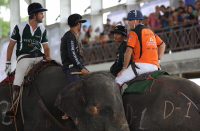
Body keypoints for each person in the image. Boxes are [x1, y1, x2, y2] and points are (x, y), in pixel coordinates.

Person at [5, 2, 51, 116]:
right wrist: (8, 63)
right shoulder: (19, 27)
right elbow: (10, 46)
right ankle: (14, 106)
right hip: (24, 57)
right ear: (34, 15)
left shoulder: (42, 29)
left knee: (57, 65)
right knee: (18, 77)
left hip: (39, 56)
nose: (43, 16)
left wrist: (48, 57)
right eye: (41, 13)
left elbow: (46, 47)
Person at [115, 10, 166, 93]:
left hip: (140, 67)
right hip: (155, 67)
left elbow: (128, 52)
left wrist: (124, 68)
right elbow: (162, 44)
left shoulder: (134, 32)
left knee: (117, 80)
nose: (128, 22)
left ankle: (117, 106)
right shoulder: (150, 31)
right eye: (128, 20)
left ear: (137, 20)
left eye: (130, 20)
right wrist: (159, 59)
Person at [60, 13, 89, 84]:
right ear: (78, 24)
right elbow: (72, 54)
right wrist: (81, 68)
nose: (81, 25)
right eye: (81, 23)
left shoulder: (72, 35)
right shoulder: (70, 36)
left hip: (76, 66)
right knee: (76, 89)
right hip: (71, 67)